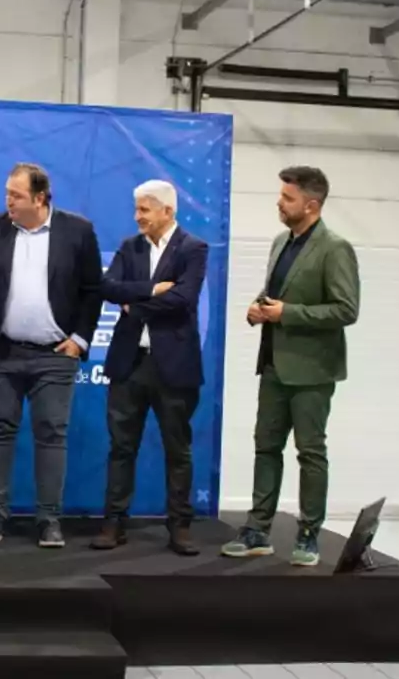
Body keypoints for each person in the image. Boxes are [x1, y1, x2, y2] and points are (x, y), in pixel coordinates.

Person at [0, 163, 102, 548]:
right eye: (6, 193)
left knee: (52, 435)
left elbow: (92, 290)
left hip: (55, 356)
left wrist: (80, 340)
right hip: (2, 353)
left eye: (15, 196)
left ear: (40, 198)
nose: (8, 202)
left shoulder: (78, 231)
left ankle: (49, 520)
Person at [221, 166, 360, 567]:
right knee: (266, 446)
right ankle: (257, 530)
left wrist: (287, 313)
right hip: (274, 366)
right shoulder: (282, 242)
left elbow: (346, 309)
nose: (279, 204)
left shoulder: (335, 248)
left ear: (311, 205)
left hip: (313, 370)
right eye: (281, 196)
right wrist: (258, 307)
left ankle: (309, 533)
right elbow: (276, 294)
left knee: (310, 452)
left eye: (287, 198)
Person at [93, 180, 207, 555]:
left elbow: (183, 298)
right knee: (121, 447)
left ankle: (180, 527)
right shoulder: (129, 247)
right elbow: (107, 288)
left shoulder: (193, 249)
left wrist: (137, 301)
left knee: (178, 450)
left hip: (174, 365)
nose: (137, 216)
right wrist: (154, 290)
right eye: (137, 209)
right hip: (130, 363)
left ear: (167, 212)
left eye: (144, 209)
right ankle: (114, 523)